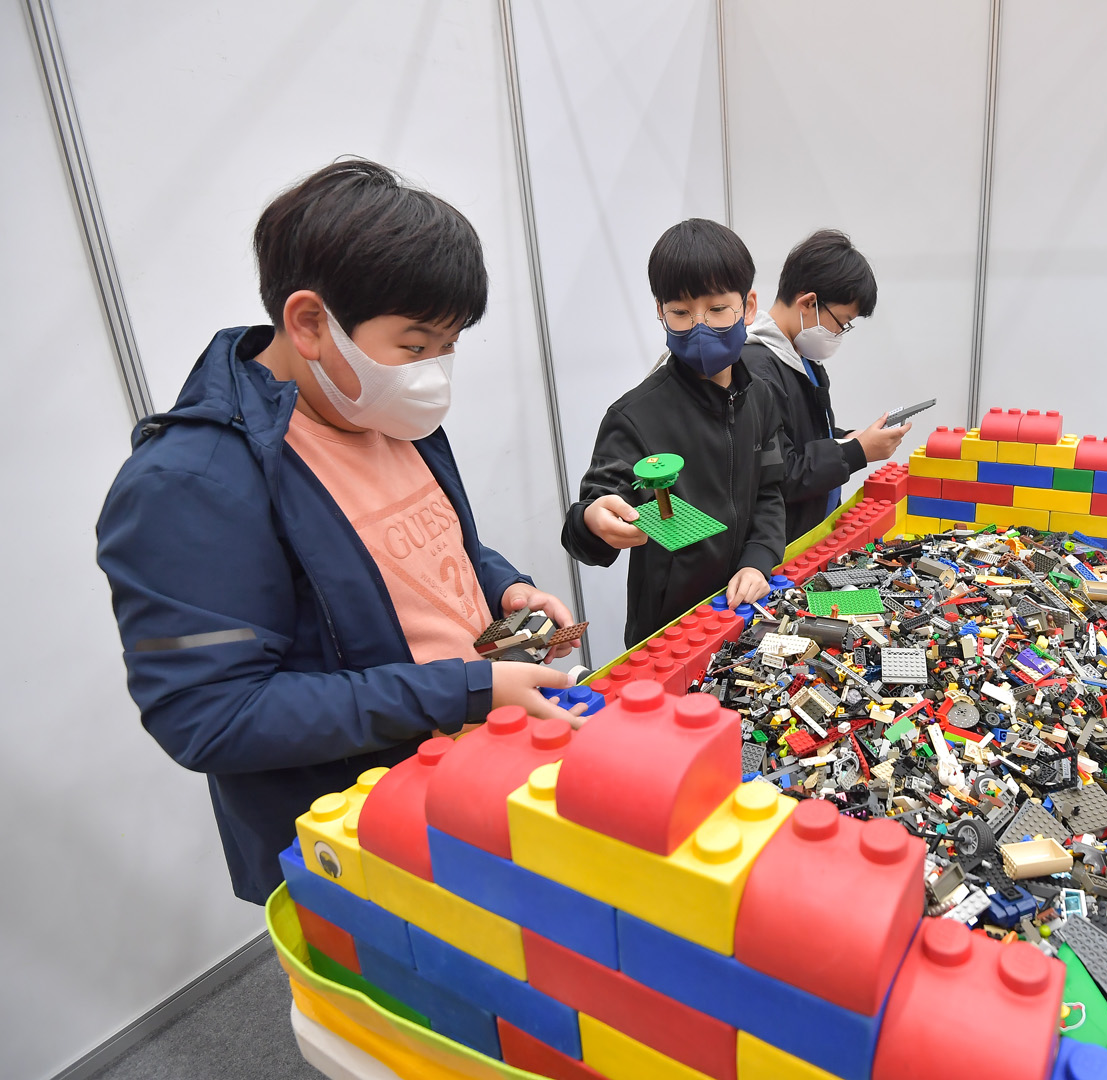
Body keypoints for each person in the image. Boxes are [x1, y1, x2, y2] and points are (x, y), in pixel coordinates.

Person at [96, 160, 582, 905]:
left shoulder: (383, 410)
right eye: (416, 346)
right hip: (368, 845)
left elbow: (428, 545)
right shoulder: (192, 484)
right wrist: (465, 690)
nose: (434, 374)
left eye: (450, 346)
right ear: (310, 323)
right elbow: (212, 715)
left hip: (476, 784)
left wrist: (504, 587)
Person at [562, 218, 785, 648]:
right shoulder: (634, 416)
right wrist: (591, 521)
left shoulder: (761, 397)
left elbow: (770, 491)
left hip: (745, 612)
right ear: (660, 312)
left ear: (748, 307)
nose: (700, 327)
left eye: (717, 309)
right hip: (668, 632)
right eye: (680, 313)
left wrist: (758, 560)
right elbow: (593, 517)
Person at [742, 229, 910, 543]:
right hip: (783, 544)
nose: (840, 333)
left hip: (814, 529)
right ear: (808, 302)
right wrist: (857, 452)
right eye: (842, 321)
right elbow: (780, 474)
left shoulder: (802, 357)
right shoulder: (758, 370)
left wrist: (848, 437)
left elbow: (805, 436)